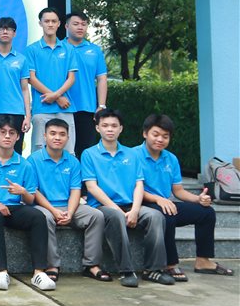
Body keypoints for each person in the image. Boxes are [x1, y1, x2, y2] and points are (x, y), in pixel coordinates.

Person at [81, 109, 172, 287]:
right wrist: (117, 209)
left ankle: (153, 270)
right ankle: (126, 271)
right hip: (102, 207)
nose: (110, 129)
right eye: (105, 125)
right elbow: (92, 187)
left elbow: (139, 184)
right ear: (97, 128)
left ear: (121, 128)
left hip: (130, 204)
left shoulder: (132, 154)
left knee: (155, 216)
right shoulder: (89, 154)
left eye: (114, 125)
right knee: (116, 216)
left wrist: (135, 210)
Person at [138, 113, 233, 279]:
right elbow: (131, 189)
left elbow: (178, 191)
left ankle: (203, 261)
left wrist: (198, 199)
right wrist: (158, 199)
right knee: (167, 215)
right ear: (145, 133)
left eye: (165, 136)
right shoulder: (133, 156)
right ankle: (170, 264)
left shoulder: (171, 159)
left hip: (165, 204)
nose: (160, 139)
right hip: (142, 204)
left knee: (206, 213)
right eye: (156, 134)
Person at [29, 118, 113, 284]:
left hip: (68, 206)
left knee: (96, 216)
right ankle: (52, 265)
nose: (57, 138)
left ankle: (91, 265)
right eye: (53, 133)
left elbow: (75, 190)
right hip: (44, 206)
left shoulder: (73, 161)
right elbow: (34, 191)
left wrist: (70, 212)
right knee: (44, 218)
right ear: (44, 136)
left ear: (68, 138)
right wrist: (54, 211)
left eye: (62, 134)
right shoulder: (33, 160)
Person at [0, 115, 55, 292]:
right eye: (2, 132)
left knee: (38, 216)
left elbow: (30, 199)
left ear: (18, 137)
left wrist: (23, 192)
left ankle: (39, 272)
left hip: (14, 208)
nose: (7, 136)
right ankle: (2, 272)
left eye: (12, 133)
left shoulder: (24, 164)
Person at [27, 8, 76, 153]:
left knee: (68, 152)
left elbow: (71, 78)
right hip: (41, 107)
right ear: (40, 23)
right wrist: (57, 97)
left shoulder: (68, 49)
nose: (50, 24)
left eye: (53, 21)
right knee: (39, 152)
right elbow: (31, 78)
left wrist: (56, 96)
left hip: (65, 108)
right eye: (46, 21)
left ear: (59, 24)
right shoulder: (32, 49)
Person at [64, 11, 109, 157]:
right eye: (76, 24)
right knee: (63, 151)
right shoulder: (59, 48)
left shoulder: (95, 50)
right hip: (62, 107)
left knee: (85, 152)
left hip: (87, 108)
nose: (80, 27)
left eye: (83, 24)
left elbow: (101, 79)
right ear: (66, 26)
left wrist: (101, 105)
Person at [0, 17, 31, 149]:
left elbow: (25, 89)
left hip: (16, 112)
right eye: (1, 29)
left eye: (9, 29)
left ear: (14, 33)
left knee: (15, 152)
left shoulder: (21, 59)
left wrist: (28, 116)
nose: (5, 32)